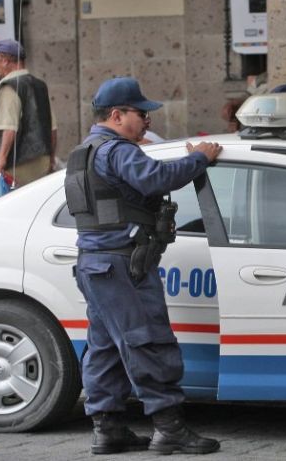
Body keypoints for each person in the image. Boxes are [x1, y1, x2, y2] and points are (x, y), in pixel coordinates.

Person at [64, 77, 222, 455]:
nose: (147, 120)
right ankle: (169, 429)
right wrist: (199, 157)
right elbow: (156, 179)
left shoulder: (85, 150)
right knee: (147, 341)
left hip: (97, 264)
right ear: (117, 115)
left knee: (104, 348)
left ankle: (109, 429)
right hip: (122, 265)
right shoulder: (118, 151)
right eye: (140, 113)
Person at [0, 39, 57, 185]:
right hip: (41, 163)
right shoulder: (39, 85)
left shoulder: (8, 87)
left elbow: (9, 128)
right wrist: (51, 157)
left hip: (15, 167)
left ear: (5, 61)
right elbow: (52, 128)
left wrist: (1, 161)